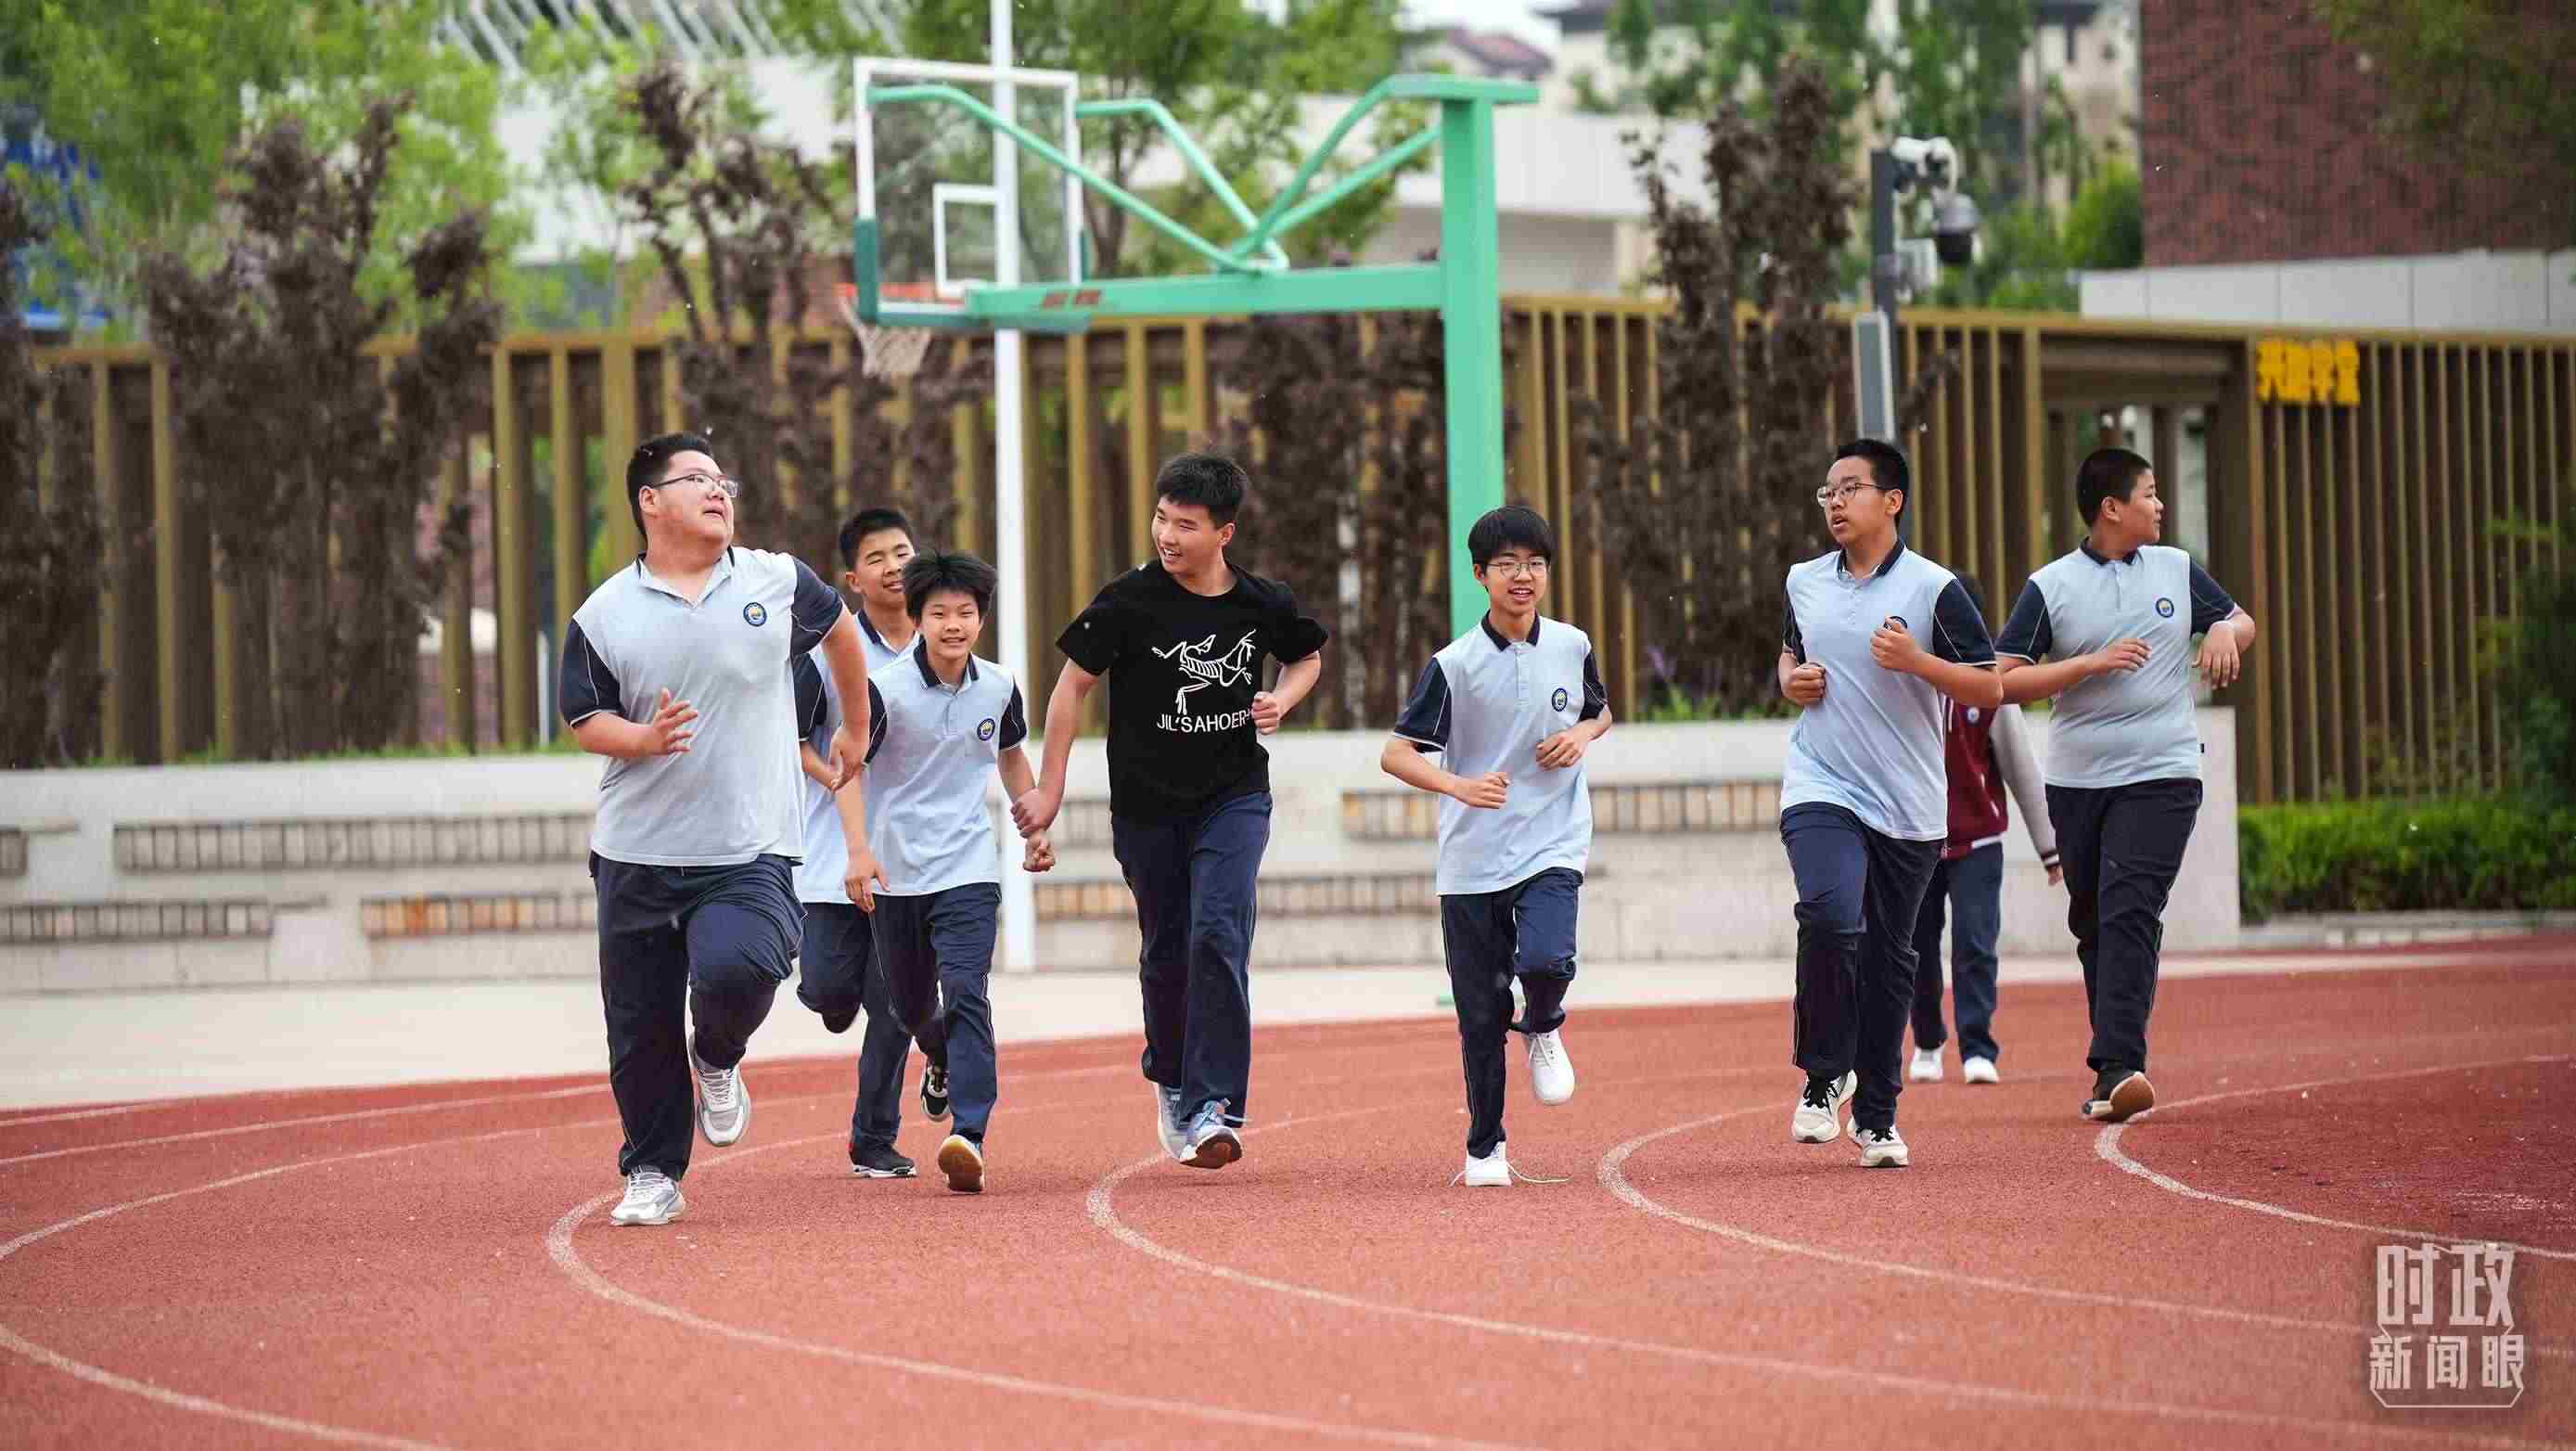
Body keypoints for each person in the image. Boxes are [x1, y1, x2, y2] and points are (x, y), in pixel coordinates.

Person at [560, 432, 869, 1227]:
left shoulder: (775, 580)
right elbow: (584, 717)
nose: (716, 490)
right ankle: (651, 1172)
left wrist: (856, 724)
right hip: (635, 851)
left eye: (721, 479)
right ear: (649, 502)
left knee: (741, 969)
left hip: (748, 845)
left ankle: (718, 1054)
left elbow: (842, 633)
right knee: (639, 1024)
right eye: (695, 479)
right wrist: (644, 738)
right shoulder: (605, 613)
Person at [1010, 453, 1328, 1171]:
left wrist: (1282, 698)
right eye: (1161, 519)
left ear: (1224, 533)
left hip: (1233, 797)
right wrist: (1050, 791)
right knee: (1166, 948)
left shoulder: (1261, 601)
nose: (1166, 535)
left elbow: (1305, 657)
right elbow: (1070, 689)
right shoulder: (1129, 600)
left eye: (1185, 525)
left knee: (1218, 930)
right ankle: (1174, 1078)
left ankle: (1214, 1103)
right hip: (1147, 807)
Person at [1994, 446, 2256, 1124]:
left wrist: (2223, 630)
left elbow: (2242, 621)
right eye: (2149, 493)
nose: (2159, 505)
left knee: (2129, 908)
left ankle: (2118, 1066)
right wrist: (2085, 665)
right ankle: (2115, 1067)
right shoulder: (2050, 586)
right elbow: (2004, 680)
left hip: (2163, 772)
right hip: (2076, 780)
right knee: (2093, 922)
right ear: (2111, 508)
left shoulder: (2175, 568)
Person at [1777, 439, 2001, 1170]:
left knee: (1888, 960)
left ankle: (1876, 1116)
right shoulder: (1803, 581)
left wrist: (1917, 662)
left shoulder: (1935, 590)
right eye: (1828, 491)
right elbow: (1791, 652)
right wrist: (1789, 680)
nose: (1835, 502)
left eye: (1851, 488)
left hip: (1907, 802)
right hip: (1822, 781)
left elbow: (1988, 686)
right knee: (1828, 913)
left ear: (1892, 500)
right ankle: (1822, 1074)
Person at [1380, 506, 1610, 1187]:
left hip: (1552, 837)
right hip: (1472, 857)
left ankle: (1542, 1023)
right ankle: (1485, 1149)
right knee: (1479, 1014)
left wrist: (1581, 735)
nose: (1522, 576)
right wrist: (1459, 785)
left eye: (1534, 563)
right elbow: (1396, 754)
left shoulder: (1572, 644)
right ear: (1480, 574)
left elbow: (1599, 710)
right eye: (1506, 564)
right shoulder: (1455, 665)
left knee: (1546, 959)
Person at [841, 550, 1056, 1194]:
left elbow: (1010, 756)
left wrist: (1034, 825)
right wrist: (857, 851)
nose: (953, 625)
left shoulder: (998, 685)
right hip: (898, 874)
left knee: (966, 989)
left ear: (981, 619)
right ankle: (937, 1054)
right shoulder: (884, 691)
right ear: (917, 619)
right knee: (912, 1007)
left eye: (965, 613)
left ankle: (969, 1133)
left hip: (968, 866)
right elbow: (849, 772)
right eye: (939, 613)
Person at [790, 507, 928, 1179]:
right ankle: (831, 998)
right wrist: (838, 776)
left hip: (912, 859)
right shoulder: (827, 655)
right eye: (876, 558)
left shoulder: (945, 645)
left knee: (894, 1005)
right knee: (829, 989)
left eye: (901, 552)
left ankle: (873, 1138)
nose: (893, 567)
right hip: (832, 855)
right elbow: (793, 742)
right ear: (853, 579)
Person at [1907, 575, 2062, 1087]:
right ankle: (1927, 1042)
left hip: (1979, 840)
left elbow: (2022, 769)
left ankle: (1977, 1046)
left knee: (1975, 942)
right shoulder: (1910, 682)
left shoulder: (1992, 691)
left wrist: (2050, 848)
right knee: (1916, 946)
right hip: (1917, 838)